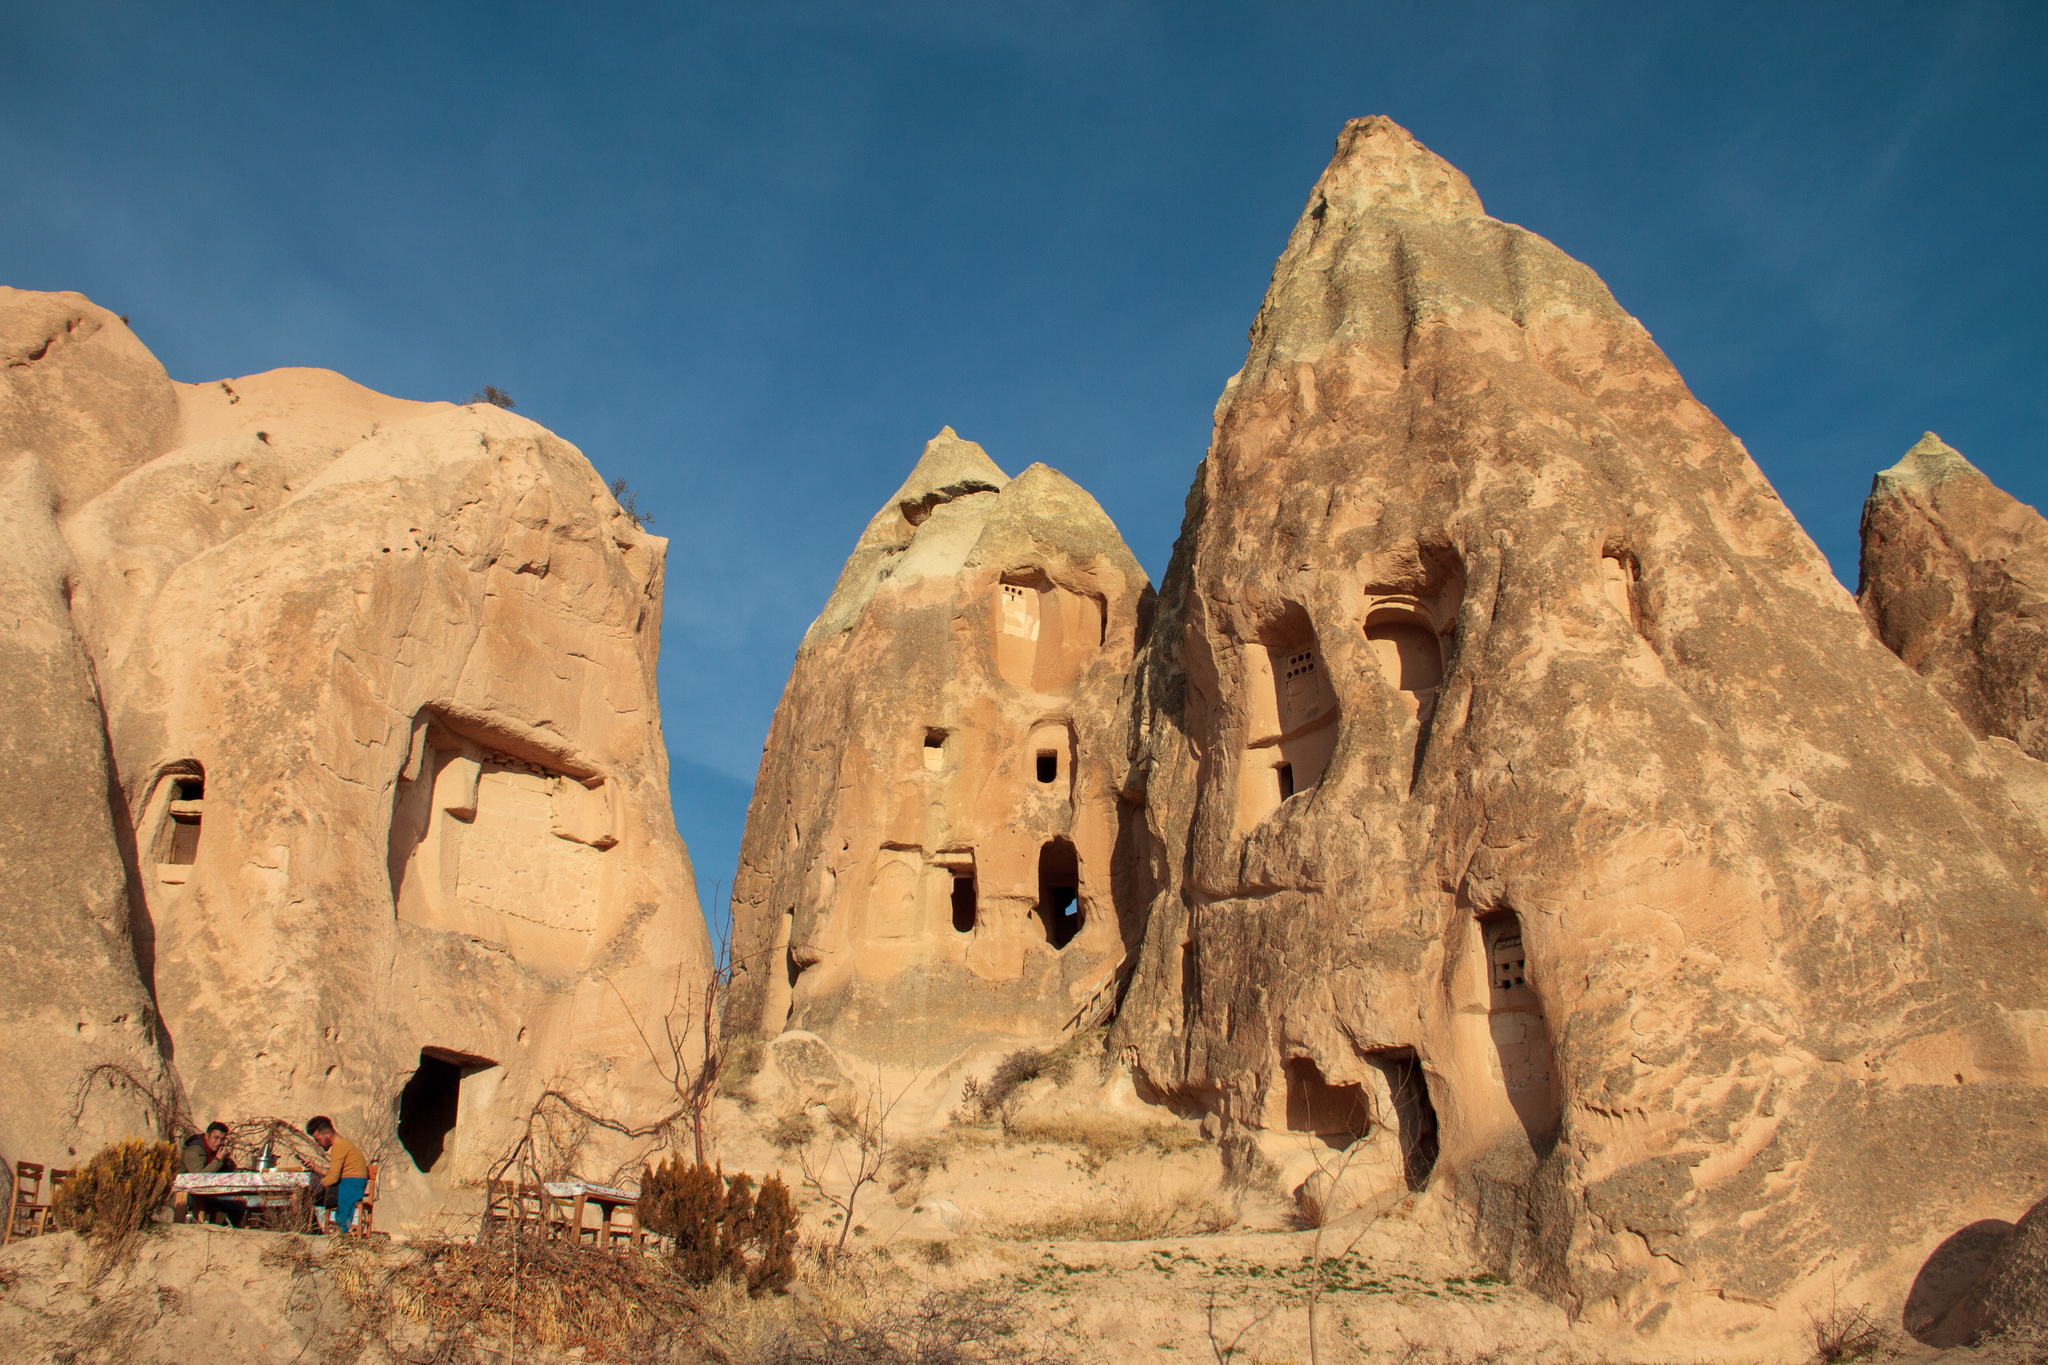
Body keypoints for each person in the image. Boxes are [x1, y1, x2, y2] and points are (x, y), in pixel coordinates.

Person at [303, 1116, 369, 1233]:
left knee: (306, 1194)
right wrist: (315, 1168)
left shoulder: (339, 1146)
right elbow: (334, 1172)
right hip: (349, 1185)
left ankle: (312, 1231)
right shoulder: (343, 1144)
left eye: (318, 1140)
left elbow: (333, 1177)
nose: (317, 1143)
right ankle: (314, 1230)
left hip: (349, 1188)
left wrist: (316, 1185)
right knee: (310, 1192)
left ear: (328, 1134)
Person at [180, 1121, 247, 1227]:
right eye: (216, 1138)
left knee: (239, 1206)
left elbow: (233, 1171)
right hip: (187, 1195)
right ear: (207, 1136)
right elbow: (199, 1179)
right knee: (197, 1201)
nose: (218, 1142)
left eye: (222, 1139)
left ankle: (223, 1232)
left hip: (209, 1195)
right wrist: (219, 1159)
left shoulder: (218, 1151)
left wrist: (237, 1191)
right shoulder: (192, 1152)